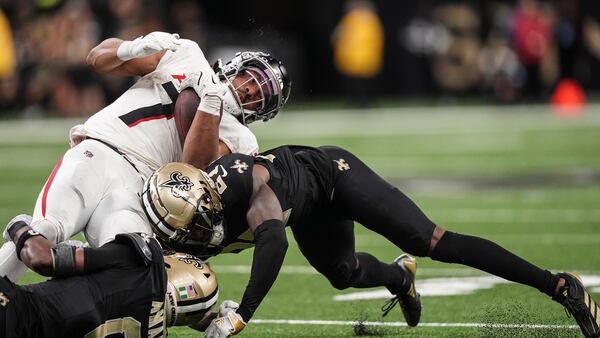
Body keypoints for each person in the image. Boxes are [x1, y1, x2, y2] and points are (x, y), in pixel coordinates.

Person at [142, 146, 600, 338]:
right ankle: (400, 278)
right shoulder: (189, 204)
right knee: (343, 275)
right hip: (309, 206)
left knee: (431, 239)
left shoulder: (250, 194)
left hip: (337, 177)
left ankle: (558, 285)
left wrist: (241, 314)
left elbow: (274, 245)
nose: (191, 239)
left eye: (193, 229)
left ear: (208, 206)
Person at [0, 31, 291, 283]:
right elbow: (96, 58)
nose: (250, 89)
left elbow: (193, 168)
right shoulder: (186, 53)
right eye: (251, 78)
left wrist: (210, 103)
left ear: (261, 112)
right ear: (236, 65)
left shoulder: (243, 140)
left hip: (140, 190)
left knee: (129, 268)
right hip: (100, 151)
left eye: (260, 95)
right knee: (46, 229)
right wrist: (132, 48)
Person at [0, 217, 221, 337]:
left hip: (14, 313)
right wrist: (212, 317)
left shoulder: (139, 262)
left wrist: (20, 229)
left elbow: (44, 259)